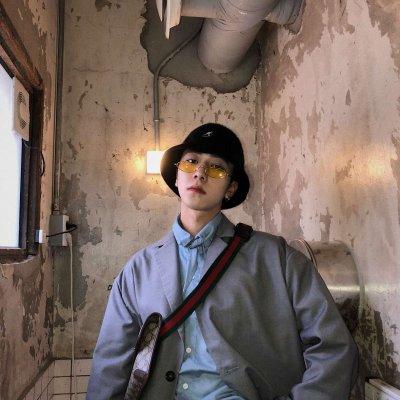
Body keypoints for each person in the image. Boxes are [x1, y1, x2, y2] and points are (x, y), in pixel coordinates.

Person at [87, 123, 358, 400]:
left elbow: (333, 347)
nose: (200, 173)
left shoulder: (276, 258)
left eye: (216, 168)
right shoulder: (138, 270)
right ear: (177, 177)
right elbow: (110, 364)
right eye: (191, 162)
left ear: (231, 188)